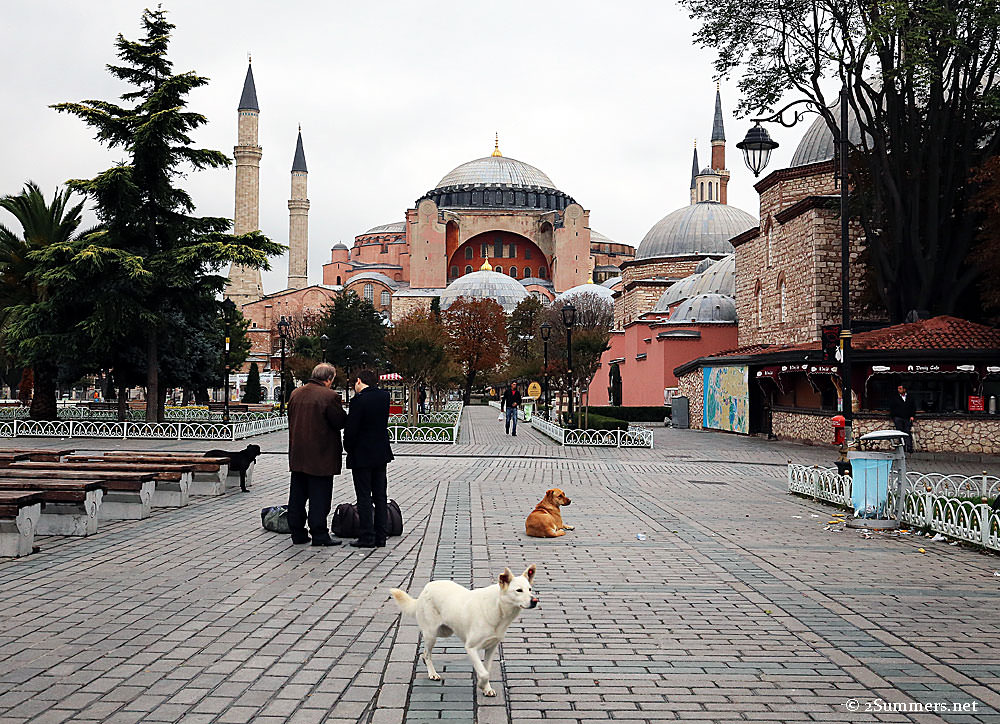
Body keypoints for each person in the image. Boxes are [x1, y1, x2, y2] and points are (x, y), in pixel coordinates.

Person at [286, 363, 346, 546]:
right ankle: (319, 534)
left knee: (297, 496)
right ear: (329, 379)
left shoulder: (296, 393)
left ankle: (297, 533)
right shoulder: (329, 396)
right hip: (321, 455)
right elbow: (339, 421)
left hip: (298, 453)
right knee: (319, 497)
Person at [344, 368, 395, 548]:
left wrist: (348, 447)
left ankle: (367, 536)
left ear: (359, 381)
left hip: (362, 454)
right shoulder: (384, 397)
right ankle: (381, 535)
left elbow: (351, 430)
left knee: (364, 495)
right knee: (380, 495)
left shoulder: (359, 401)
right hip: (381, 452)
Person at [888, 383, 916, 453]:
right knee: (900, 432)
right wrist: (894, 417)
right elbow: (892, 407)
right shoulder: (895, 397)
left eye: (900, 388)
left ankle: (909, 447)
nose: (899, 390)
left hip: (907, 417)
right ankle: (902, 448)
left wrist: (912, 416)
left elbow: (913, 407)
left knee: (907, 432)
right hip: (898, 417)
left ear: (904, 389)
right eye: (898, 388)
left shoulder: (910, 397)